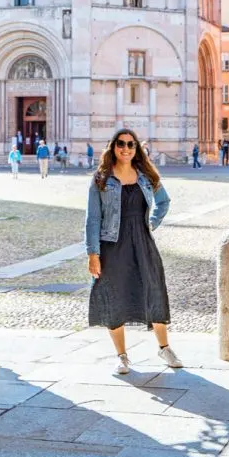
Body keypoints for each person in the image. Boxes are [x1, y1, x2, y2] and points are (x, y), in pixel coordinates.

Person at [85, 127, 182, 375]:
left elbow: (164, 201)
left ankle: (164, 347)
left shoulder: (145, 176)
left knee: (153, 289)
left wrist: (152, 222)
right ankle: (122, 356)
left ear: (136, 148)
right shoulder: (101, 179)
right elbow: (93, 219)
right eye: (121, 144)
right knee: (113, 295)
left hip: (142, 241)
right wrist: (93, 253)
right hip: (112, 245)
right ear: (113, 147)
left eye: (130, 144)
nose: (125, 148)